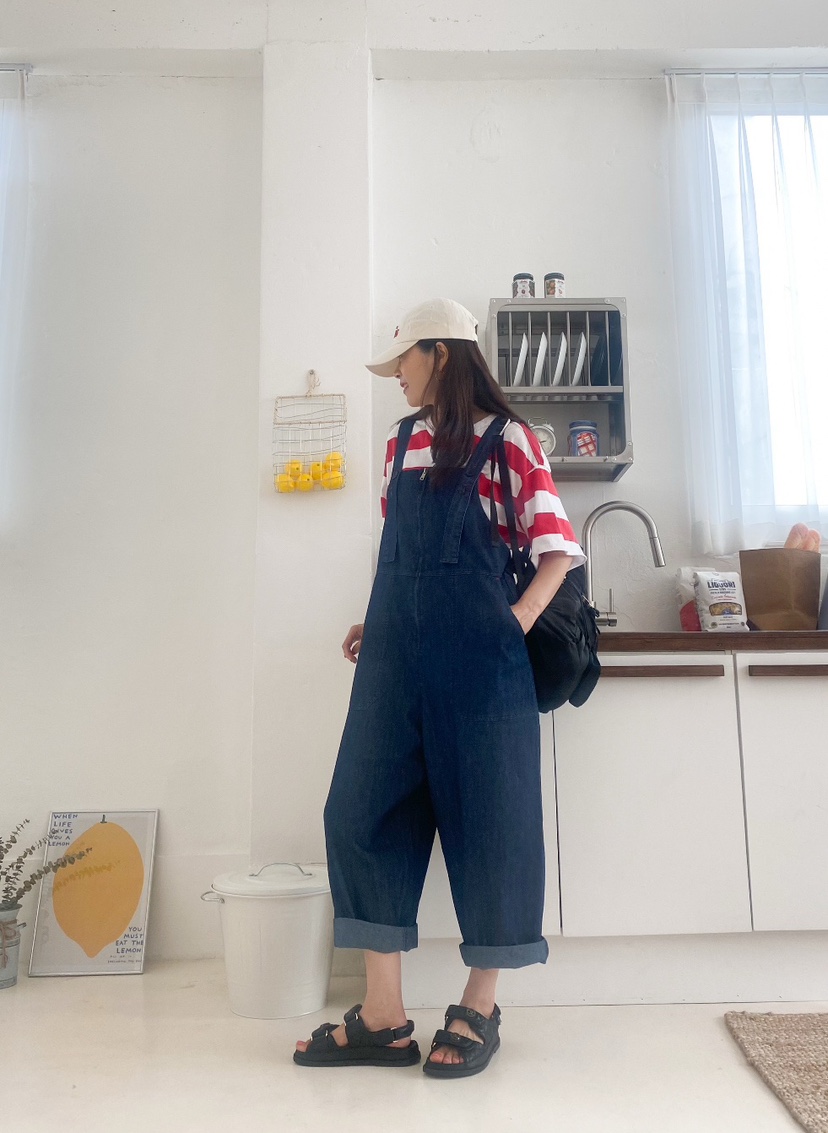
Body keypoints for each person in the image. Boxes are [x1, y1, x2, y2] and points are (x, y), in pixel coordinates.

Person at [294, 298, 585, 1078]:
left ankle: (479, 1003)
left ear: (442, 353)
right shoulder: (400, 442)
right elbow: (401, 552)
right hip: (394, 660)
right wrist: (379, 618)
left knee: (491, 821)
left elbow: (556, 547)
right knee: (360, 812)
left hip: (482, 668)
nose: (397, 376)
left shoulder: (509, 439)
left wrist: (515, 620)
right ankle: (383, 1016)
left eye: (405, 360)